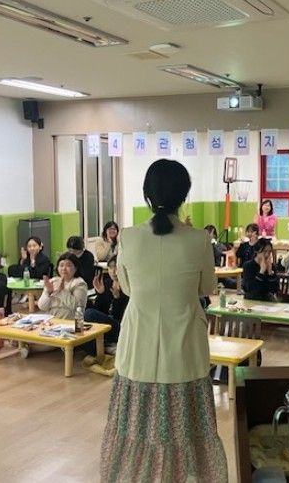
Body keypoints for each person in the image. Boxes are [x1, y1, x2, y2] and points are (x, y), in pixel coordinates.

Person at [100, 159, 227, 482]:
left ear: (147, 194)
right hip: (184, 346)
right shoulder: (199, 239)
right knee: (186, 426)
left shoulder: (128, 237)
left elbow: (127, 287)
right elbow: (207, 287)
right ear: (184, 195)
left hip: (137, 344)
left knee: (135, 425)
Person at [85, 256, 126, 355]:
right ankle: (97, 349)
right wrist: (101, 294)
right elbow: (100, 311)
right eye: (110, 267)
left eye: (116, 267)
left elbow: (120, 316)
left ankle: (97, 349)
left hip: (121, 327)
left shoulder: (127, 287)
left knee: (89, 314)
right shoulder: (107, 283)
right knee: (86, 308)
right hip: (107, 324)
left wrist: (117, 298)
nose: (114, 271)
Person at [37, 252, 88, 319]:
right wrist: (48, 293)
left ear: (75, 268)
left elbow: (77, 307)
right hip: (51, 320)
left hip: (70, 321)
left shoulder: (79, 283)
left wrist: (62, 291)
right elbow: (42, 306)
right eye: (61, 265)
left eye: (68, 265)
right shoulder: (53, 281)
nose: (64, 268)